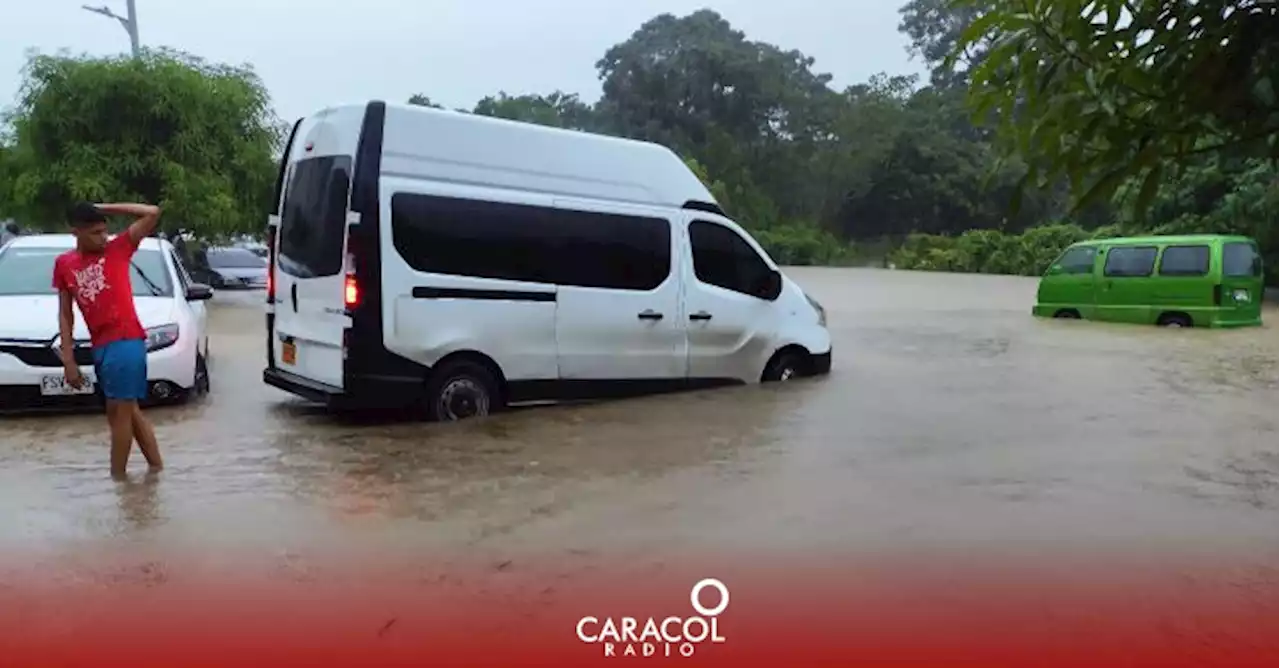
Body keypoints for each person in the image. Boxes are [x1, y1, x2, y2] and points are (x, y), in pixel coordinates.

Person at [53, 201, 164, 479]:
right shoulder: (64, 264)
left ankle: (119, 483)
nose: (103, 238)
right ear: (75, 232)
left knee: (119, 416)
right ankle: (156, 472)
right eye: (95, 233)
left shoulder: (119, 249)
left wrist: (103, 207)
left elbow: (152, 212)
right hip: (100, 345)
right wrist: (69, 359)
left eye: (105, 231)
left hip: (126, 341)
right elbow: (65, 315)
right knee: (130, 412)